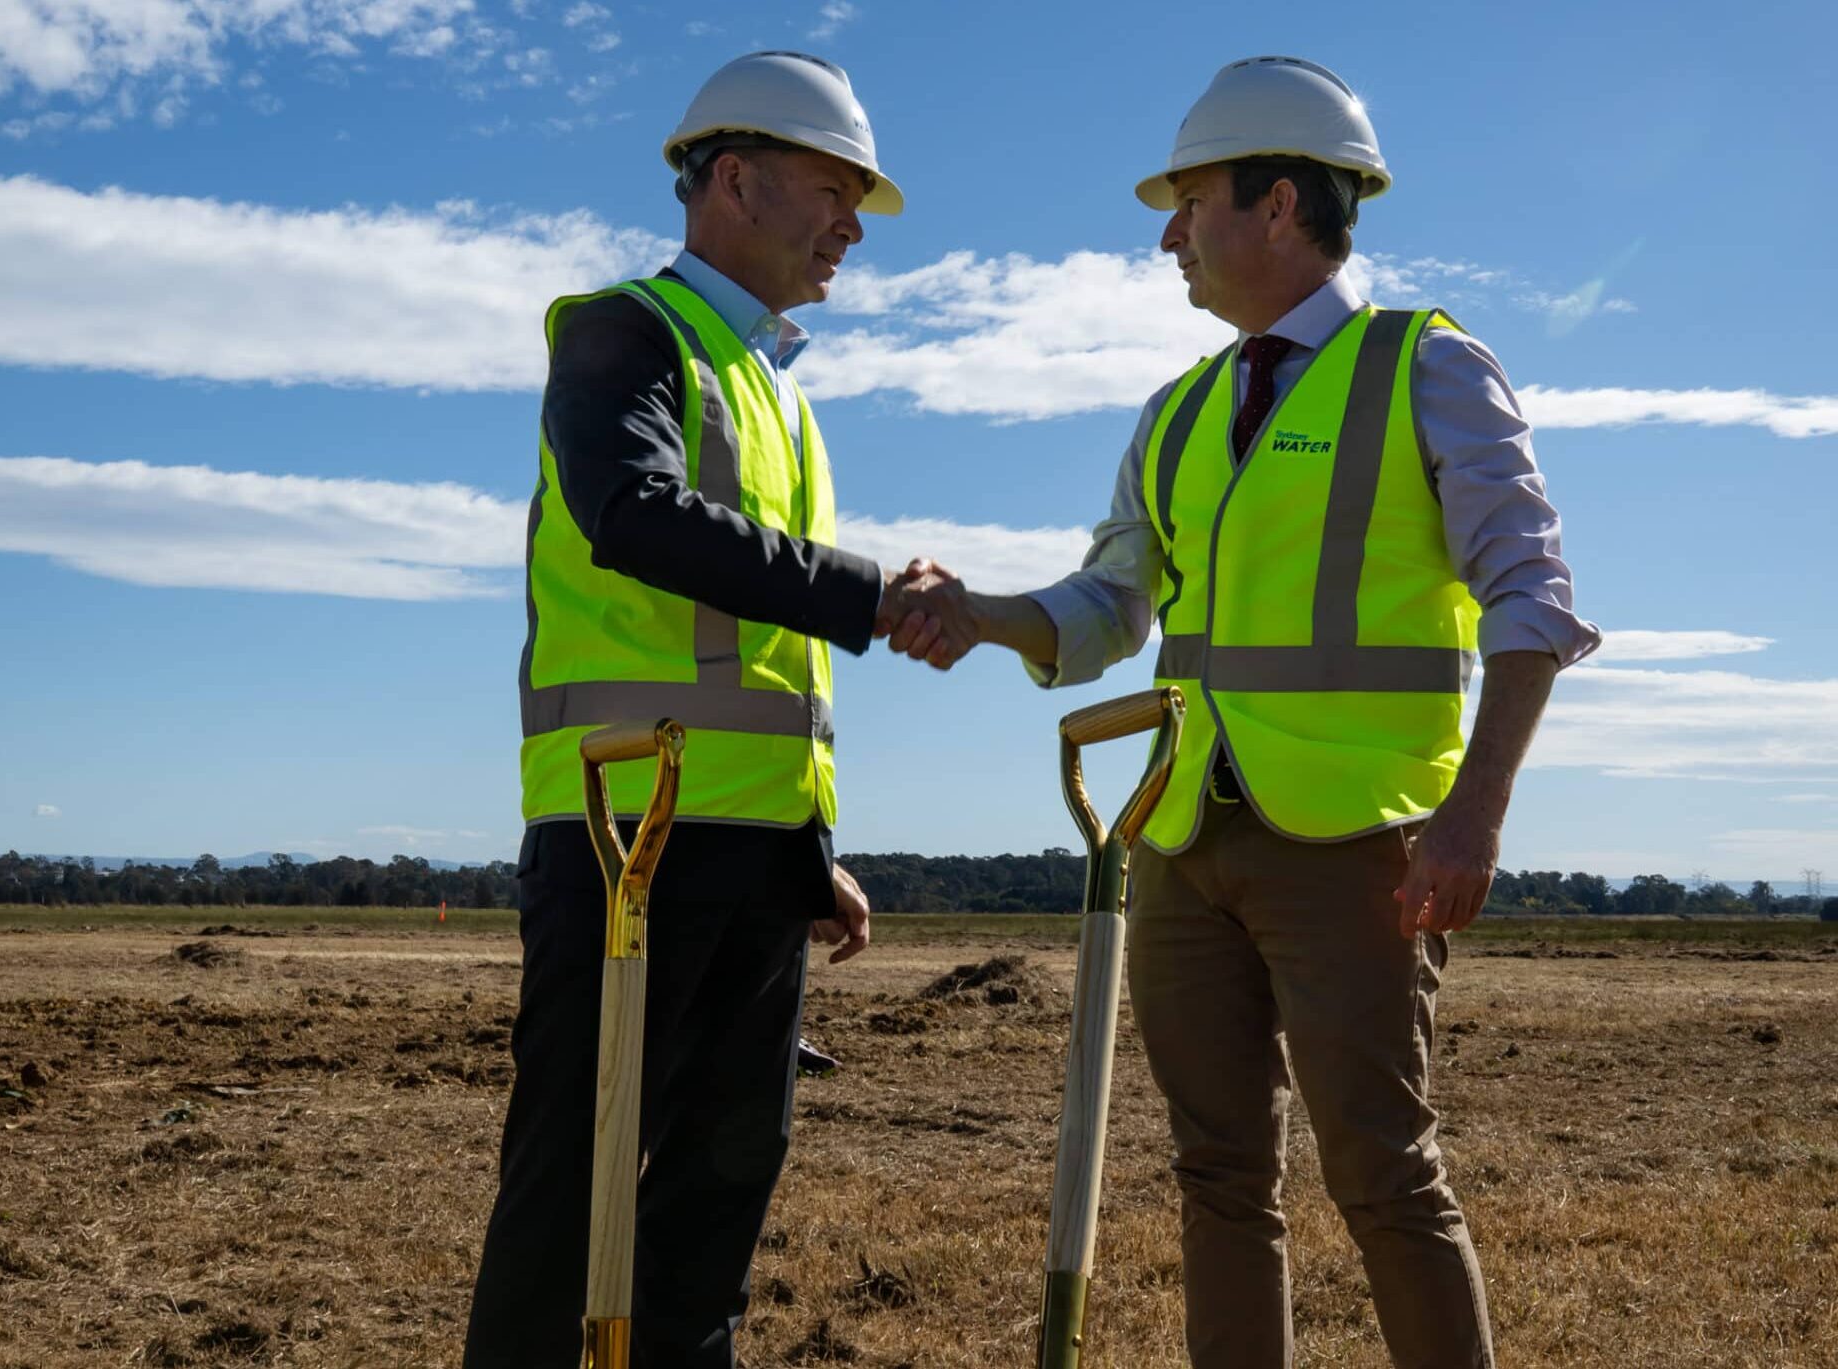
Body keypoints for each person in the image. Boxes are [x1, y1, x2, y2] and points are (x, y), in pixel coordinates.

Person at [887, 56, 1600, 1368]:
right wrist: (981, 611)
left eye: (1190, 201)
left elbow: (1534, 601)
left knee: (1385, 1175)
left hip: (1361, 845)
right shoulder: (1176, 415)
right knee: (1218, 1176)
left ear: (1279, 205)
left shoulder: (1426, 369)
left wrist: (1474, 815)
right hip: (1181, 838)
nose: (1168, 235)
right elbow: (1111, 605)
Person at [463, 50, 948, 1368]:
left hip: (745, 855)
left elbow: (758, 671)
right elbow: (634, 519)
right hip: (625, 835)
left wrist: (807, 857)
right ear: (732, 178)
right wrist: (865, 595)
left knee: (720, 1191)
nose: (854, 225)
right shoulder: (622, 332)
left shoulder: (780, 393)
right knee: (574, 1185)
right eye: (834, 190)